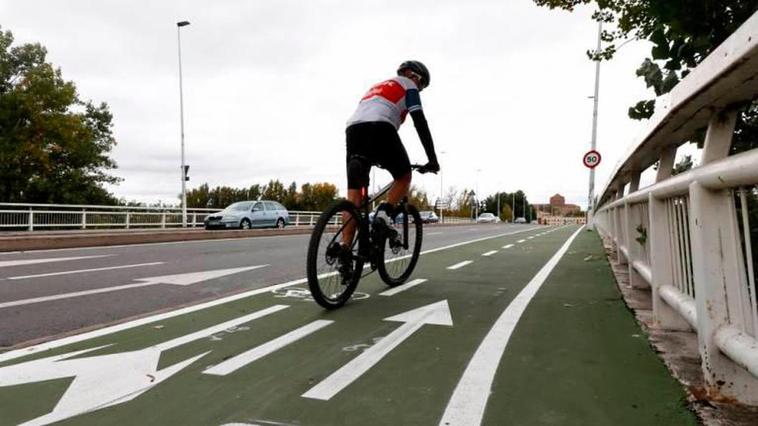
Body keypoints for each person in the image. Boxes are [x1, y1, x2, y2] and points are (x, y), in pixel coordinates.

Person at [344, 60, 440, 239]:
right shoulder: (408, 84)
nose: (419, 90)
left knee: (353, 198)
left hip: (353, 129)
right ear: (414, 76)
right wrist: (432, 159)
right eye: (421, 85)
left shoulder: (375, 87)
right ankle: (383, 213)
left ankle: (343, 252)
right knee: (403, 176)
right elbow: (419, 121)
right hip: (380, 126)